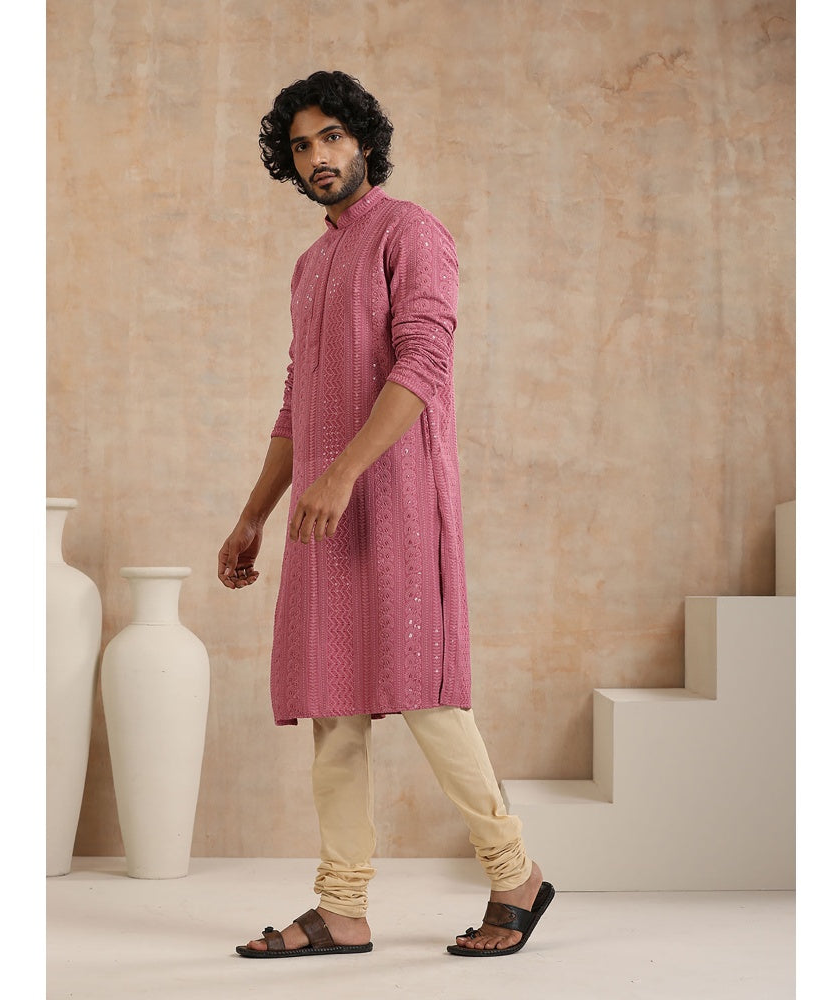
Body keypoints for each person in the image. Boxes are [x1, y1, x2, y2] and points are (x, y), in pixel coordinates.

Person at [218, 70, 553, 959]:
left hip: (395, 503)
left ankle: (515, 874)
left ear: (364, 140)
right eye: (300, 146)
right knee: (333, 709)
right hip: (323, 517)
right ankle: (342, 907)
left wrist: (343, 475)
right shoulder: (311, 264)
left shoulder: (411, 233)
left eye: (331, 137)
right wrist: (254, 515)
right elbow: (299, 400)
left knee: (427, 695)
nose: (317, 157)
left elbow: (422, 366)